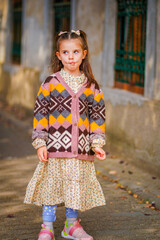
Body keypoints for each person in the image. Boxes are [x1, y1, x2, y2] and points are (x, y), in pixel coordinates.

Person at [24, 29, 106, 240]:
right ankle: (47, 227)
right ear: (58, 55)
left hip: (80, 149)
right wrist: (40, 142)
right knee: (51, 187)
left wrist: (96, 143)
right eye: (66, 52)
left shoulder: (92, 86)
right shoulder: (50, 82)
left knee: (74, 188)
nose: (71, 57)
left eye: (76, 52)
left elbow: (97, 116)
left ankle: (71, 226)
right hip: (54, 148)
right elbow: (41, 112)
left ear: (84, 54)